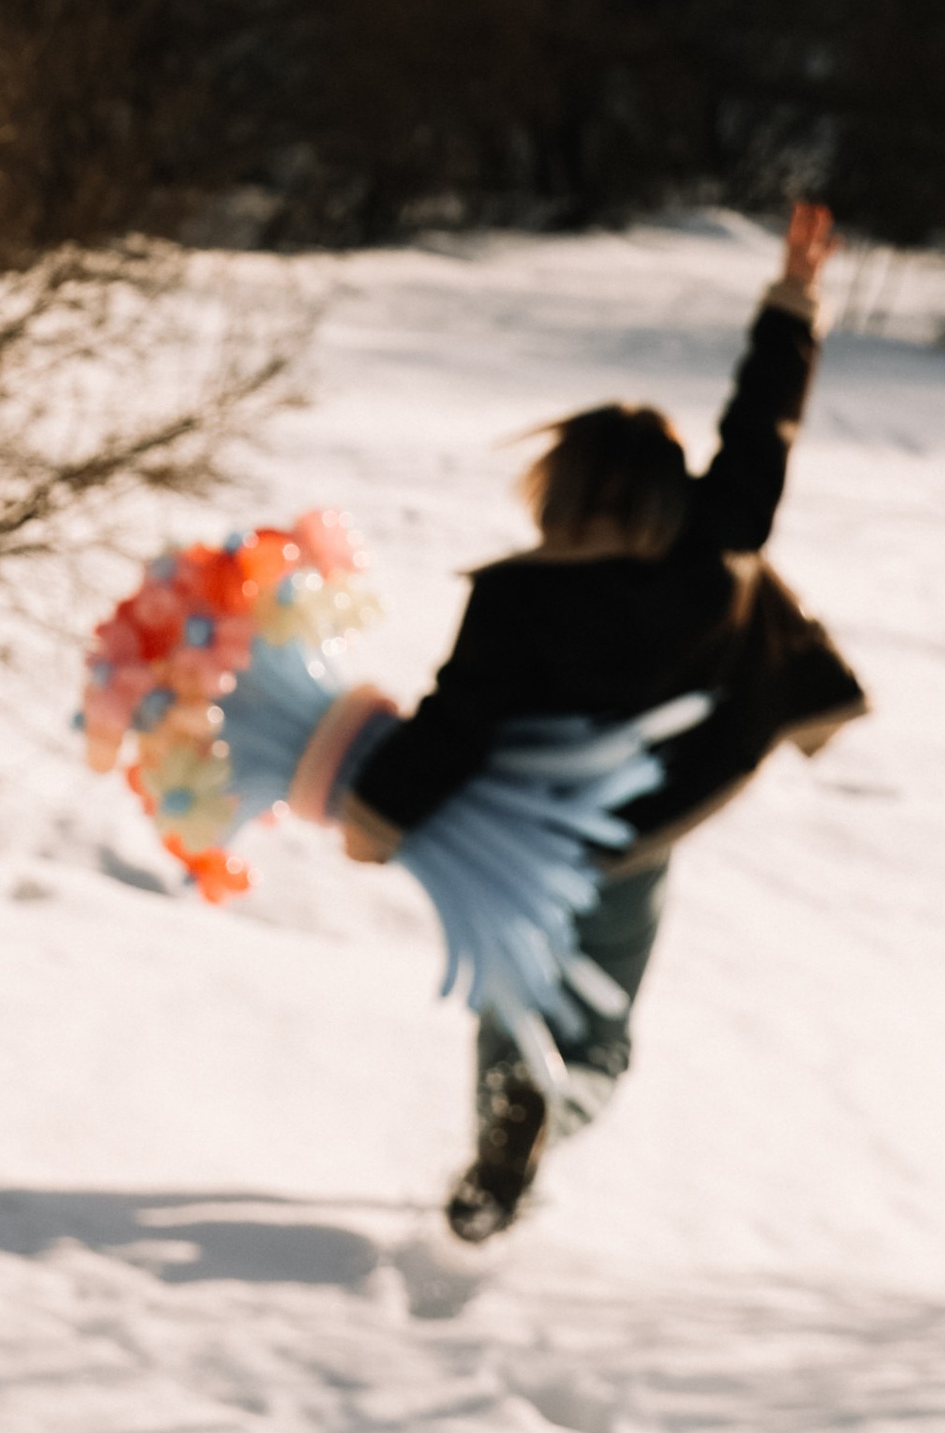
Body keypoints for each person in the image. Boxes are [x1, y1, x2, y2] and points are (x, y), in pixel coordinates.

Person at [336, 197, 866, 1244]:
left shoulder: (516, 597)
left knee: (511, 1001)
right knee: (603, 1038)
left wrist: (374, 814)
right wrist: (795, 298)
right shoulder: (713, 553)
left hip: (513, 846)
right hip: (637, 844)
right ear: (670, 492)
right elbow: (758, 429)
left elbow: (454, 726)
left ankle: (508, 1117)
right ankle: (551, 1109)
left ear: (555, 493)